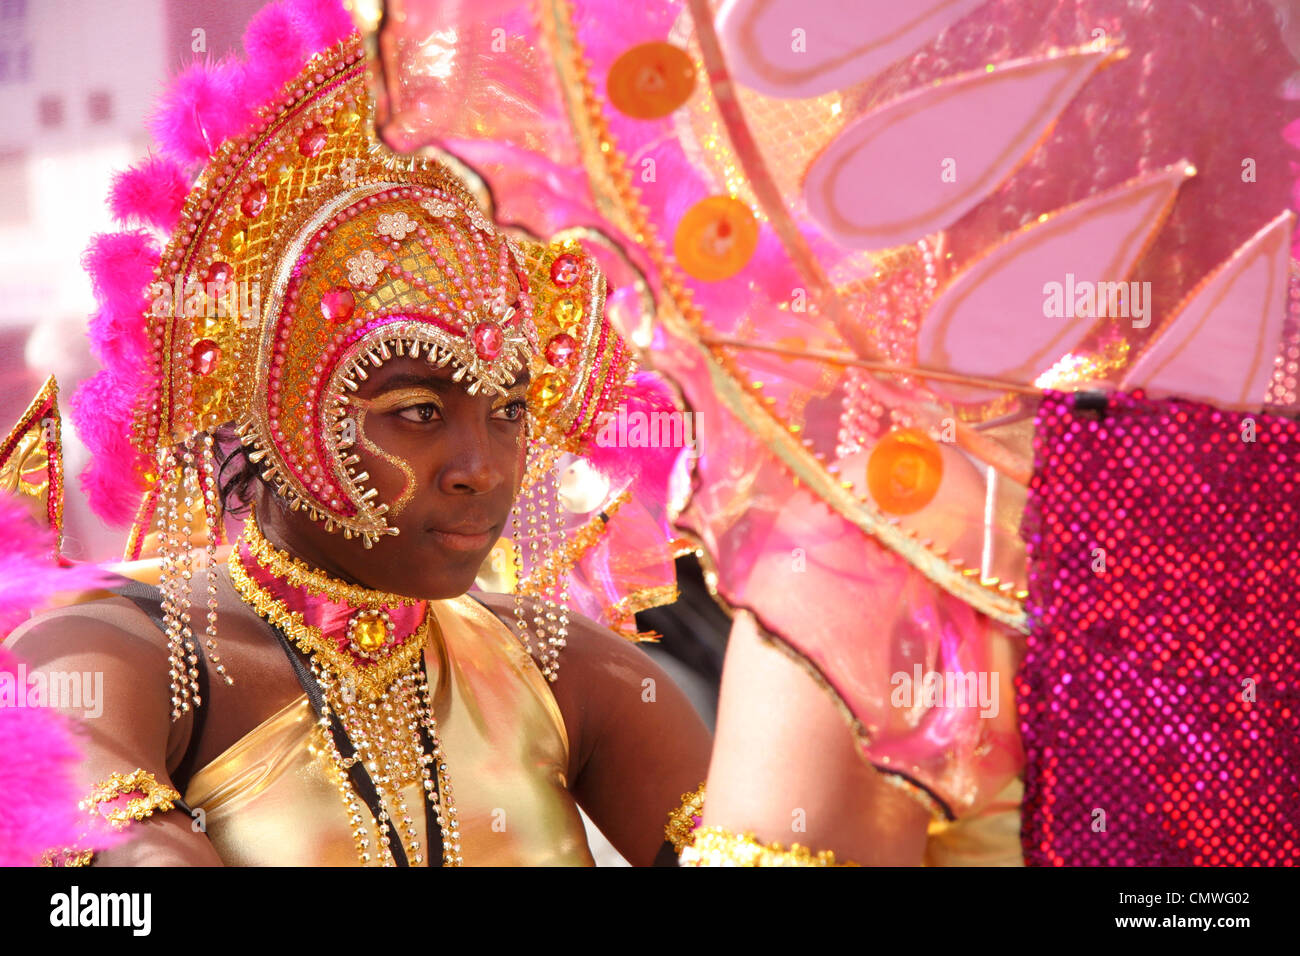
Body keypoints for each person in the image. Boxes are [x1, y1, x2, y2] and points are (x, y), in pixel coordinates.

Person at [4, 9, 708, 867]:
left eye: (510, 410)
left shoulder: (568, 673)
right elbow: (111, 879)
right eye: (417, 410)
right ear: (274, 407)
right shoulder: (111, 648)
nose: (481, 470)